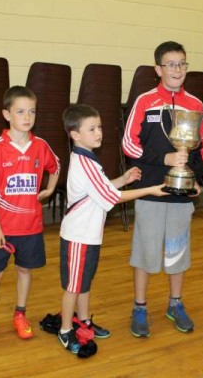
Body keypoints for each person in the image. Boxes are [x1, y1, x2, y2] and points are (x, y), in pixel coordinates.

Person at [58, 104, 168, 354]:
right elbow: (113, 198)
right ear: (75, 135)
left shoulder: (87, 159)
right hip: (78, 237)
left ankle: (83, 321)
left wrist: (123, 179)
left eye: (100, 127)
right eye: (92, 129)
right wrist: (150, 190)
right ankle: (65, 330)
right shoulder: (85, 163)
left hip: (89, 235)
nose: (99, 133)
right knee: (74, 286)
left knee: (84, 282)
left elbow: (101, 189)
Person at [122, 41, 203, 338]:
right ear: (158, 69)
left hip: (181, 193)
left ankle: (175, 304)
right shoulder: (144, 101)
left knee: (177, 252)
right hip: (151, 190)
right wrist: (163, 159)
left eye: (182, 64)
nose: (177, 70)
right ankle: (139, 306)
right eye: (171, 64)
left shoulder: (196, 105)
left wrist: (195, 178)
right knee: (145, 252)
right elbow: (128, 145)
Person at [0, 86, 60, 346]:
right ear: (6, 114)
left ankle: (20, 314)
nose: (27, 117)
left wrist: (49, 189)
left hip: (31, 227)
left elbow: (56, 166)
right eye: (20, 111)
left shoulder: (40, 146)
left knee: (25, 270)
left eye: (32, 111)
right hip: (2, 228)